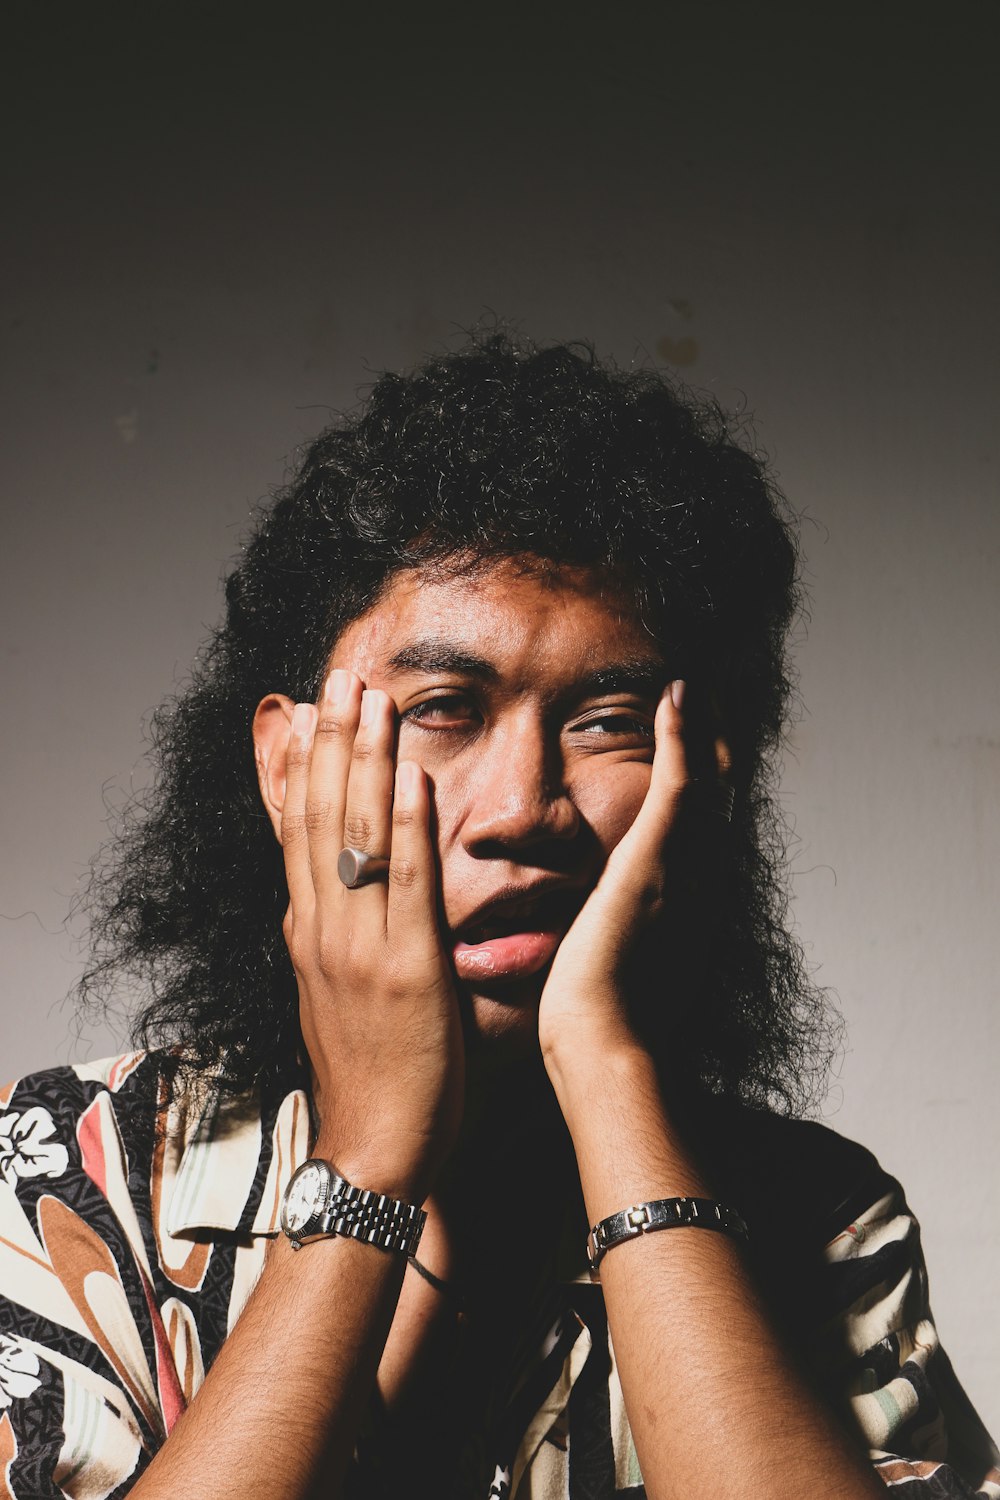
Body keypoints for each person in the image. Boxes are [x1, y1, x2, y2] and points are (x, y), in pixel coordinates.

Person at [0, 333, 995, 1500]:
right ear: (286, 766)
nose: (521, 809)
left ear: (706, 779)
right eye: (441, 708)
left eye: (610, 718)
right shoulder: (74, 1174)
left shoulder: (817, 1222)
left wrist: (611, 1077)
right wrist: (370, 1153)